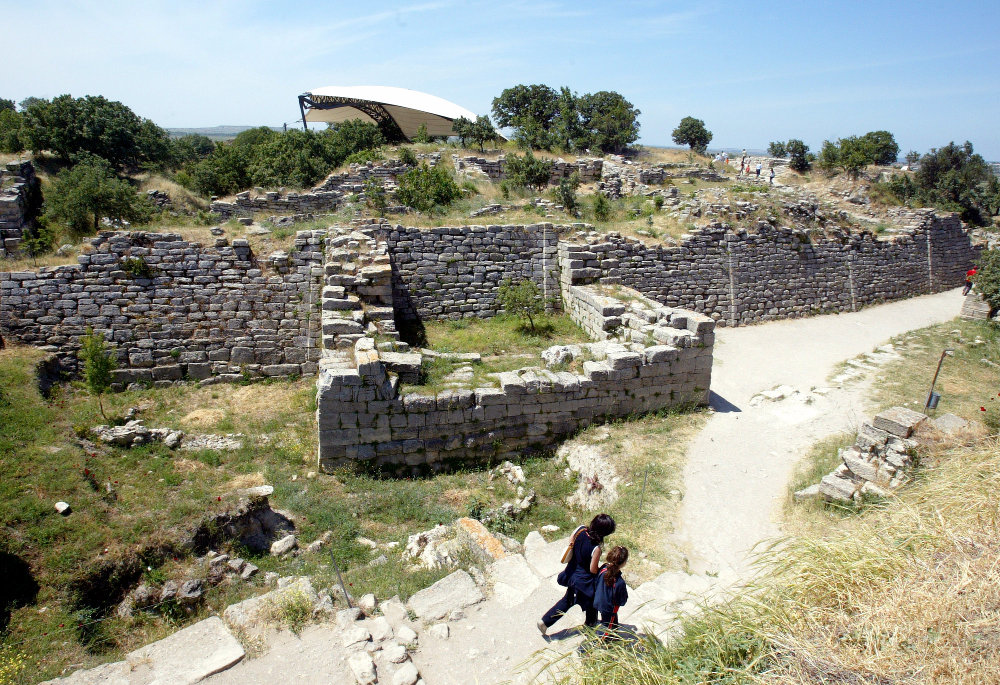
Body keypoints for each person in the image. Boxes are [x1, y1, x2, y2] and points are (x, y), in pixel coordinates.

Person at [538, 513, 616, 635]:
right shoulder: (596, 548)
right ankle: (590, 624)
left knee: (567, 601)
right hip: (583, 581)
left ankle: (544, 621)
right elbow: (593, 570)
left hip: (571, 572)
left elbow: (571, 541)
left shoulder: (581, 529)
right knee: (591, 602)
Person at [594, 546, 629, 641]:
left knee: (610, 622)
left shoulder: (603, 568)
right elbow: (622, 601)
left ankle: (613, 635)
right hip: (609, 608)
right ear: (623, 563)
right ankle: (602, 642)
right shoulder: (619, 582)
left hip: (598, 601)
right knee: (608, 627)